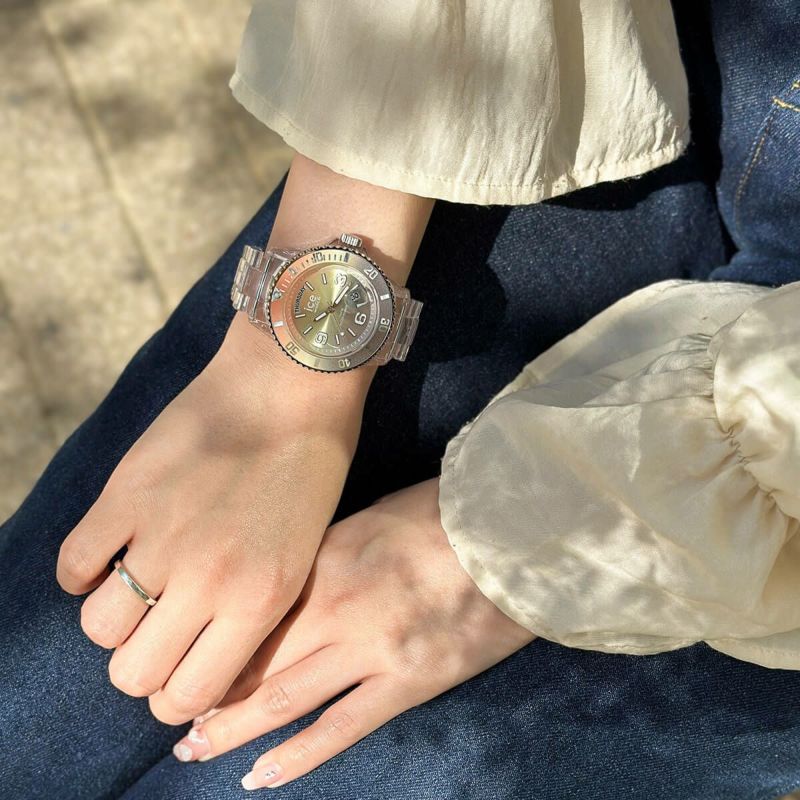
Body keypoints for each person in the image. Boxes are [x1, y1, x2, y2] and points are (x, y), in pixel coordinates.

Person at [2, 1, 800, 798]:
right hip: (654, 56)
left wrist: (527, 531)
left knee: (260, 772)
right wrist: (282, 388)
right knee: (38, 703)